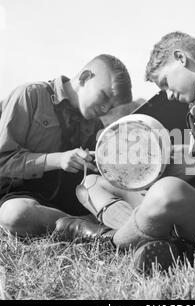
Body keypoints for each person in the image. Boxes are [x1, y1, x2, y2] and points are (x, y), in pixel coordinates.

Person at [55, 31, 195, 275]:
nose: (169, 95)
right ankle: (156, 237)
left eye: (166, 83)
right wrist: (138, 158)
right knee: (92, 184)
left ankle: (112, 241)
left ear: (181, 58)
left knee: (166, 191)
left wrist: (193, 167)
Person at [0, 54, 132, 238]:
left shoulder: (94, 124)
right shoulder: (30, 95)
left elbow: (95, 176)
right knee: (15, 215)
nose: (105, 109)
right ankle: (89, 229)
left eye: (111, 106)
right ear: (85, 77)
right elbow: (3, 160)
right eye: (104, 97)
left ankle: (135, 226)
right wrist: (58, 159)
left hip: (68, 196)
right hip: (21, 193)